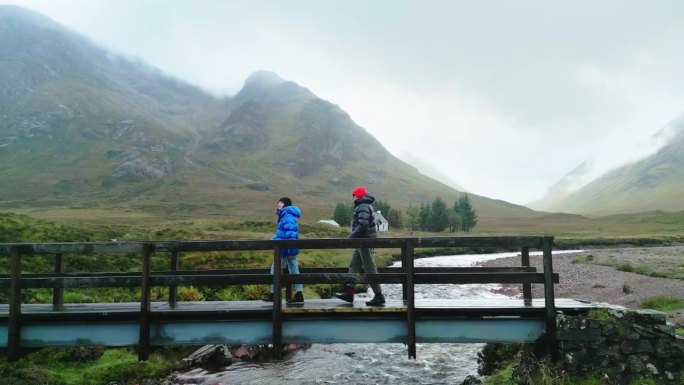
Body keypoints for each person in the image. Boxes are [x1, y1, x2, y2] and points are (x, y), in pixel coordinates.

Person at [334, 186, 385, 306]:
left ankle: (379, 295)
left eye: (354, 195)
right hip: (361, 241)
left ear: (359, 196)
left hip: (365, 241)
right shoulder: (363, 205)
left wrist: (351, 236)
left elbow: (363, 224)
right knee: (354, 265)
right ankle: (349, 293)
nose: (353, 197)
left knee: (369, 268)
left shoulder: (362, 206)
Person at [262, 197, 304, 304]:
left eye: (280, 202)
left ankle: (274, 294)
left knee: (275, 269)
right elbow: (284, 234)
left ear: (285, 204)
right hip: (289, 249)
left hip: (286, 250)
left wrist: (286, 247)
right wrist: (275, 238)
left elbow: (289, 235)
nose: (278, 204)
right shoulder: (286, 215)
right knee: (294, 271)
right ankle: (299, 294)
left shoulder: (287, 216)